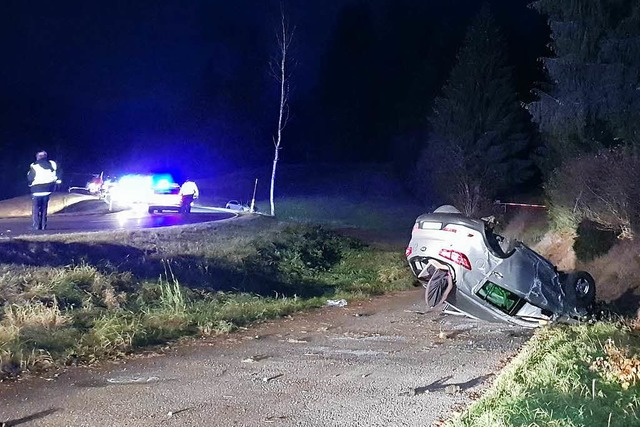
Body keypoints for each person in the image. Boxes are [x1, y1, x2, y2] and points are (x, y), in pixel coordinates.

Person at [27, 151, 60, 230]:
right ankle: (43, 225)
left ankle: (36, 226)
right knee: (44, 208)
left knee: (36, 209)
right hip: (48, 189)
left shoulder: (34, 165)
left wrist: (30, 184)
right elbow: (56, 174)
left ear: (38, 157)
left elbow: (30, 177)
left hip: (36, 190)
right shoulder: (52, 164)